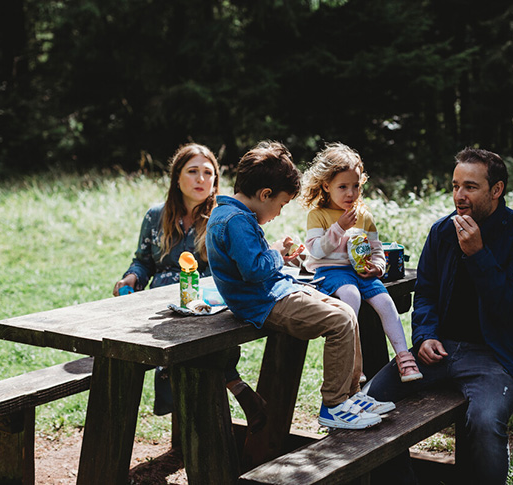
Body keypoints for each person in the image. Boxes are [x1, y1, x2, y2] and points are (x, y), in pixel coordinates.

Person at [365, 147, 513, 484]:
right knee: (369, 403)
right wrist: (424, 336)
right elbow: (426, 294)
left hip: (497, 355)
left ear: (497, 190)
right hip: (441, 348)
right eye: (454, 186)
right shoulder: (441, 232)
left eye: (470, 187)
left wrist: (478, 255)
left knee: (483, 421)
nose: (459, 196)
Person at [205, 140, 395, 430]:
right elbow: (254, 270)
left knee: (346, 312)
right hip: (262, 301)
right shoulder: (235, 221)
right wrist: (274, 253)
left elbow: (250, 262)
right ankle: (334, 405)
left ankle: (352, 395)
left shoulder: (235, 216)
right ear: (265, 194)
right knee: (340, 320)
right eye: (281, 204)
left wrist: (278, 254)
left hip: (276, 291)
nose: (280, 212)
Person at [113, 142, 267, 434]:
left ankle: (200, 432)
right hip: (158, 309)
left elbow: (230, 270)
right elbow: (143, 262)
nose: (201, 179)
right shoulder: (155, 216)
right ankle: (236, 388)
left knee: (197, 349)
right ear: (177, 177)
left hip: (206, 305)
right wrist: (131, 278)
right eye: (193, 171)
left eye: (208, 173)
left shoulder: (222, 219)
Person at [300, 142, 422, 383]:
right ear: (326, 186)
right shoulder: (319, 215)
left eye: (355, 186)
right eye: (342, 186)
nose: (350, 193)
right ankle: (353, 361)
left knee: (386, 303)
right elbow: (315, 250)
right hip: (332, 271)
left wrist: (378, 265)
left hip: (362, 273)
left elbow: (376, 248)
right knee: (351, 296)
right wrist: (339, 228)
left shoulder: (364, 215)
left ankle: (404, 358)